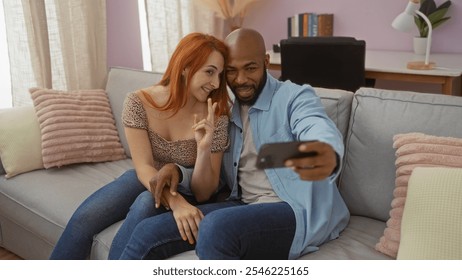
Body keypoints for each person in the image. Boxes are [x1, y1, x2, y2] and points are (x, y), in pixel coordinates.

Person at [116, 28, 350, 260]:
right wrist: (176, 170)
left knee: (216, 226)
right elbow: (216, 180)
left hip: (295, 209)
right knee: (148, 232)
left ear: (266, 62)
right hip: (243, 205)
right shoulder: (225, 110)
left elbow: (321, 136)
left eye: (250, 68)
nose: (241, 79)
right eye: (231, 71)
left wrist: (274, 156)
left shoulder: (295, 98)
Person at [49, 32, 231, 260]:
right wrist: (175, 202)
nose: (215, 83)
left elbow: (204, 193)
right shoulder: (139, 102)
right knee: (86, 217)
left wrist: (203, 149)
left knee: (145, 202)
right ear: (185, 66)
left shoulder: (217, 114)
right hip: (146, 178)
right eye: (209, 71)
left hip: (188, 187)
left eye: (220, 75)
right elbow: (144, 167)